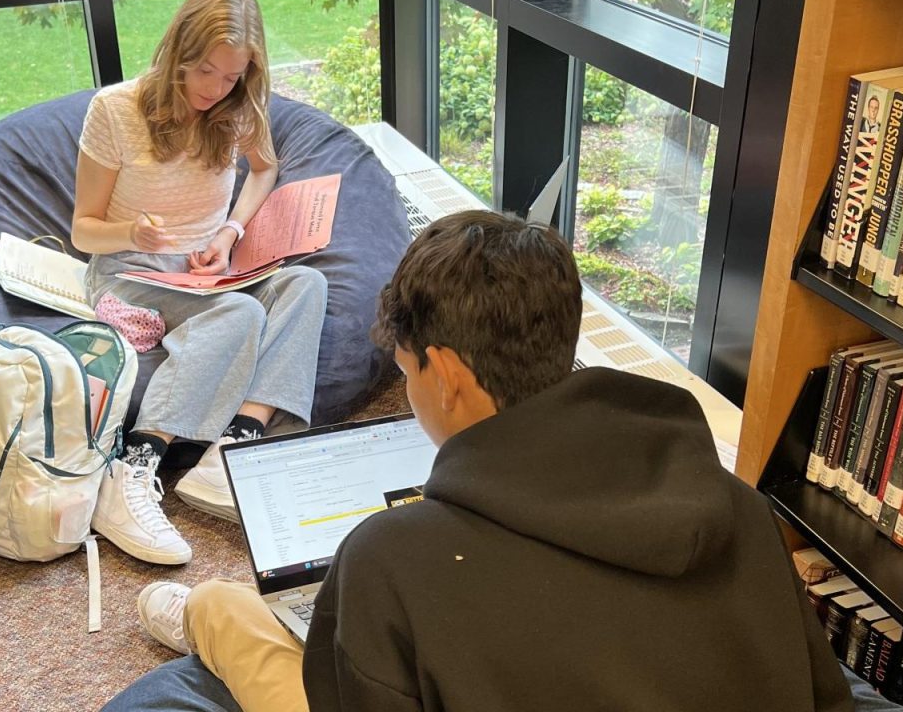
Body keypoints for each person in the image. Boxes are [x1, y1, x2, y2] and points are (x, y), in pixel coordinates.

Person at [111, 210, 855, 711]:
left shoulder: (391, 561)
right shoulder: (736, 506)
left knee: (229, 615)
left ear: (450, 375)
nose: (407, 391)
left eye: (405, 373)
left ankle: (212, 613)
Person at [72, 0, 328, 567]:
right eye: (205, 72)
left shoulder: (238, 108)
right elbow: (83, 230)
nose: (216, 90)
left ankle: (233, 445)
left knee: (306, 284)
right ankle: (133, 465)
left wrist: (230, 230)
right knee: (238, 313)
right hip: (129, 267)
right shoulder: (114, 111)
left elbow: (264, 170)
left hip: (207, 268)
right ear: (178, 53)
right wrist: (132, 233)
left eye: (232, 77)